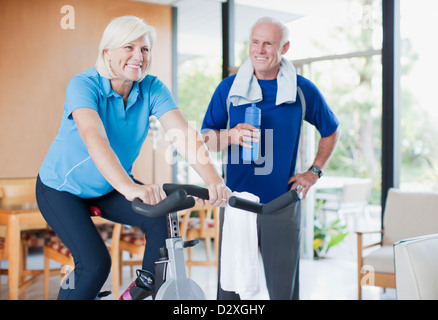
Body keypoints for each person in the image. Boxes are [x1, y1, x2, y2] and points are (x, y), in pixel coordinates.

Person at [36, 15, 230, 300]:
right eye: (129, 47)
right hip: (62, 189)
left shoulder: (152, 88)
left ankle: (138, 294)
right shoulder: (83, 85)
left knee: (161, 216)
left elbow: (183, 135)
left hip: (108, 186)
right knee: (94, 264)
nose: (138, 56)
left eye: (145, 49)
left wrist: (213, 180)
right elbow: (95, 137)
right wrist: (130, 188)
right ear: (107, 53)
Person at [201, 17, 340, 300]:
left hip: (282, 201)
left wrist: (313, 172)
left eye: (268, 43)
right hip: (236, 200)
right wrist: (231, 135)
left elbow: (331, 130)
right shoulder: (227, 89)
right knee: (230, 289)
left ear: (284, 47)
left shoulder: (303, 90)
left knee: (282, 290)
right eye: (255, 42)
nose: (260, 50)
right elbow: (205, 139)